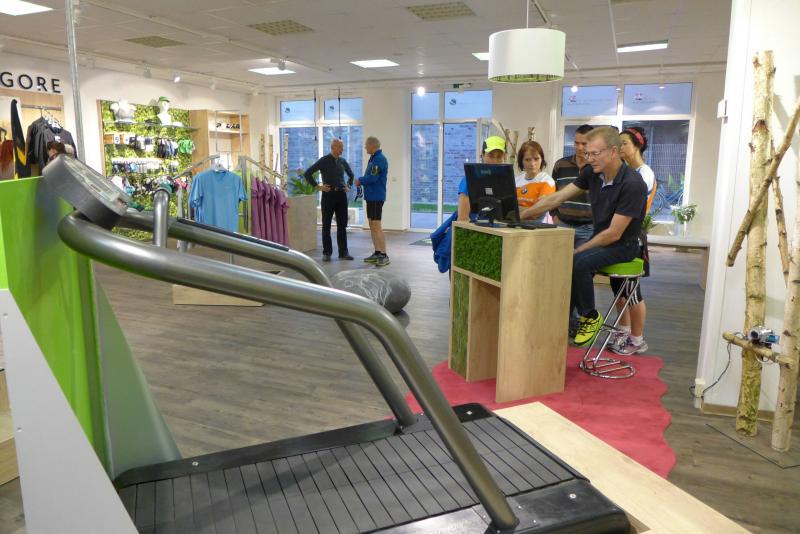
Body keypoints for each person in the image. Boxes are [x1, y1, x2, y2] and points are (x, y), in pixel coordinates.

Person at [520, 127, 647, 347]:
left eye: (594, 154)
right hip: (602, 239)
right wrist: (521, 215)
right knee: (567, 263)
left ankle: (590, 316)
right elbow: (558, 198)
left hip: (624, 245)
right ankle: (562, 321)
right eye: (588, 154)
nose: (589, 158)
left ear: (613, 151)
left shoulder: (633, 184)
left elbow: (614, 233)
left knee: (577, 261)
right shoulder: (593, 173)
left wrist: (580, 249)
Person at [608, 127, 656, 355]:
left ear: (637, 146)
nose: (620, 147)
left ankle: (637, 340)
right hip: (619, 236)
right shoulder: (626, 171)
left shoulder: (644, 174)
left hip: (633, 238)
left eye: (624, 143)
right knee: (618, 287)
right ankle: (624, 330)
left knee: (632, 291)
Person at [303, 138, 355, 261]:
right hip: (328, 196)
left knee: (342, 225)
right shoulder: (324, 160)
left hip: (341, 196)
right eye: (340, 147)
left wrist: (348, 185)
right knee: (326, 225)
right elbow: (307, 173)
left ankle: (343, 253)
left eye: (342, 147)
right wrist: (318, 187)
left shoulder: (342, 161)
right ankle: (327, 253)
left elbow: (351, 175)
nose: (342, 149)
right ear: (334, 147)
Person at [551, 124, 594, 246]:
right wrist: (554, 216)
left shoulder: (597, 167)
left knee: (582, 258)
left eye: (584, 144)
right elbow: (553, 193)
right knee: (560, 257)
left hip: (588, 228)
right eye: (576, 143)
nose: (579, 147)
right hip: (562, 224)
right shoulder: (560, 165)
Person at [356, 136, 390, 267]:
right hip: (371, 197)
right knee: (372, 224)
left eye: (366, 145)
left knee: (376, 225)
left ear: (372, 145)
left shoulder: (379, 159)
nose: (365, 147)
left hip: (376, 197)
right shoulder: (373, 158)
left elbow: (373, 178)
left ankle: (384, 255)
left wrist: (360, 180)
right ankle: (377, 252)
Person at [457, 135, 506, 222]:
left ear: (504, 158)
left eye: (499, 157)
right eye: (490, 156)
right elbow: (462, 219)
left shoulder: (505, 181)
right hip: (472, 228)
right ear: (482, 155)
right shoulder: (470, 179)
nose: (495, 161)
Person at [515, 140, 555, 222]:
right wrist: (531, 208)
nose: (532, 164)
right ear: (521, 161)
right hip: (515, 226)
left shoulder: (547, 182)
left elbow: (536, 213)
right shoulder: (516, 181)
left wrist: (517, 210)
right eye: (527, 160)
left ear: (542, 159)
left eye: (536, 159)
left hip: (537, 227)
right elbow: (507, 209)